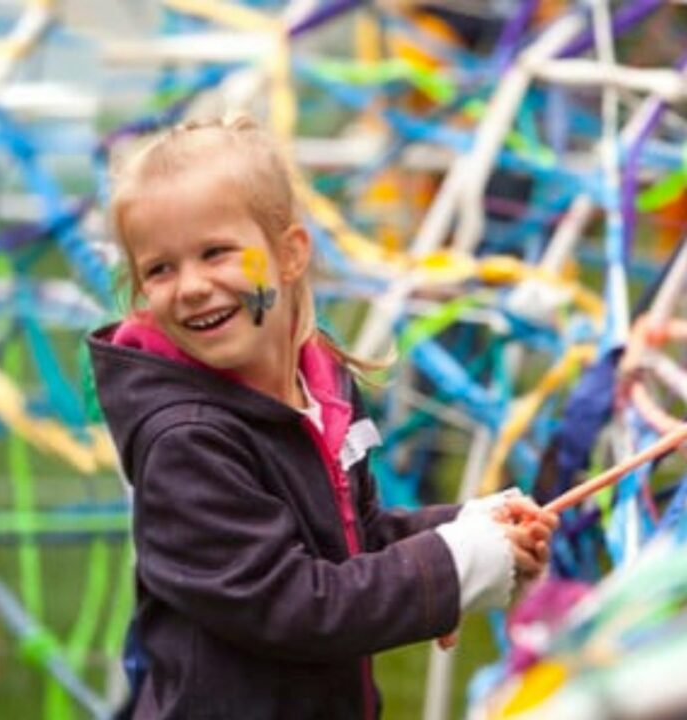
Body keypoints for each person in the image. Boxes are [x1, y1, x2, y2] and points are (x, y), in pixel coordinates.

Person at [88, 116, 558, 720]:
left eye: (215, 253)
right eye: (160, 269)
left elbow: (350, 542)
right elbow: (294, 605)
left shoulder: (321, 388)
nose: (192, 286)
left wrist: (469, 529)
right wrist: (452, 565)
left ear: (288, 255)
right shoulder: (187, 441)